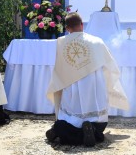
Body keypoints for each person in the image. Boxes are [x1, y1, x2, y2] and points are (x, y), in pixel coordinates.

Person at [45, 12, 129, 146]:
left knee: (63, 126)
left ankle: (59, 130)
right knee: (99, 125)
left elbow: (59, 70)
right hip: (94, 89)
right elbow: (110, 66)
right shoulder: (97, 41)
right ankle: (92, 130)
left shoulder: (61, 42)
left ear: (67, 28)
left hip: (72, 89)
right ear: (82, 25)